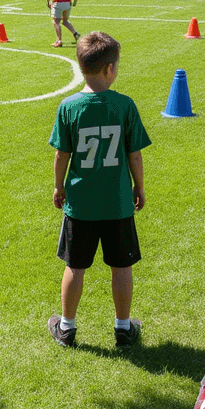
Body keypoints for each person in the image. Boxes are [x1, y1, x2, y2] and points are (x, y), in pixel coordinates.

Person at [48, 31, 150, 349]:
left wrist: (58, 186)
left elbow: (61, 153)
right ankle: (123, 328)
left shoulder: (68, 107)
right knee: (122, 266)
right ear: (109, 69)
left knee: (75, 266)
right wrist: (139, 187)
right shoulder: (124, 105)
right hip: (118, 202)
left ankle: (67, 328)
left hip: (80, 203)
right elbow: (134, 154)